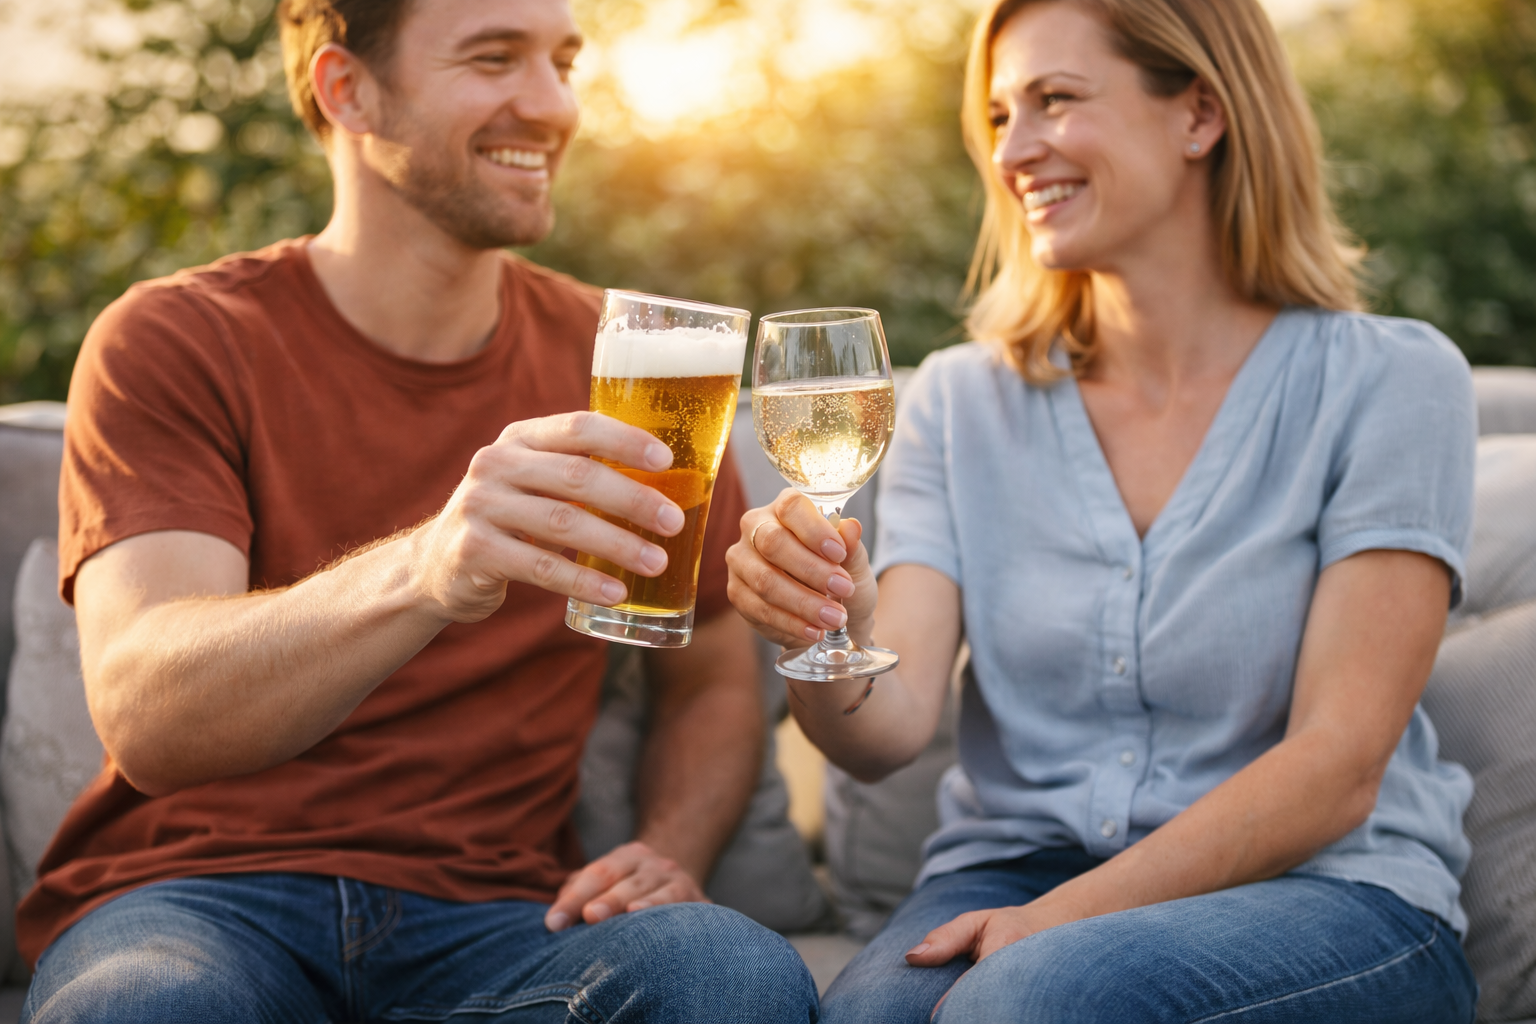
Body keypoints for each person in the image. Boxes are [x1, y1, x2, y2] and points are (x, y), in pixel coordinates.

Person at [17, 1, 816, 1021]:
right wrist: (430, 567)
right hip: (197, 904)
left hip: (507, 922)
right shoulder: (177, 338)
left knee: (732, 974)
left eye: (563, 62)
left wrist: (667, 847)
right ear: (347, 90)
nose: (553, 104)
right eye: (494, 59)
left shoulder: (622, 357)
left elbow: (709, 662)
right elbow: (150, 717)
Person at [727, 0, 1480, 1020]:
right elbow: (883, 732)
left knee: (1030, 1000)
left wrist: (1068, 917)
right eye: (999, 116)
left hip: (1328, 888)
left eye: (1055, 101)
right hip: (1013, 869)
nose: (1014, 150)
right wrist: (825, 624)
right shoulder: (960, 398)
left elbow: (1338, 767)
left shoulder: (1392, 381)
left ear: (1200, 115)